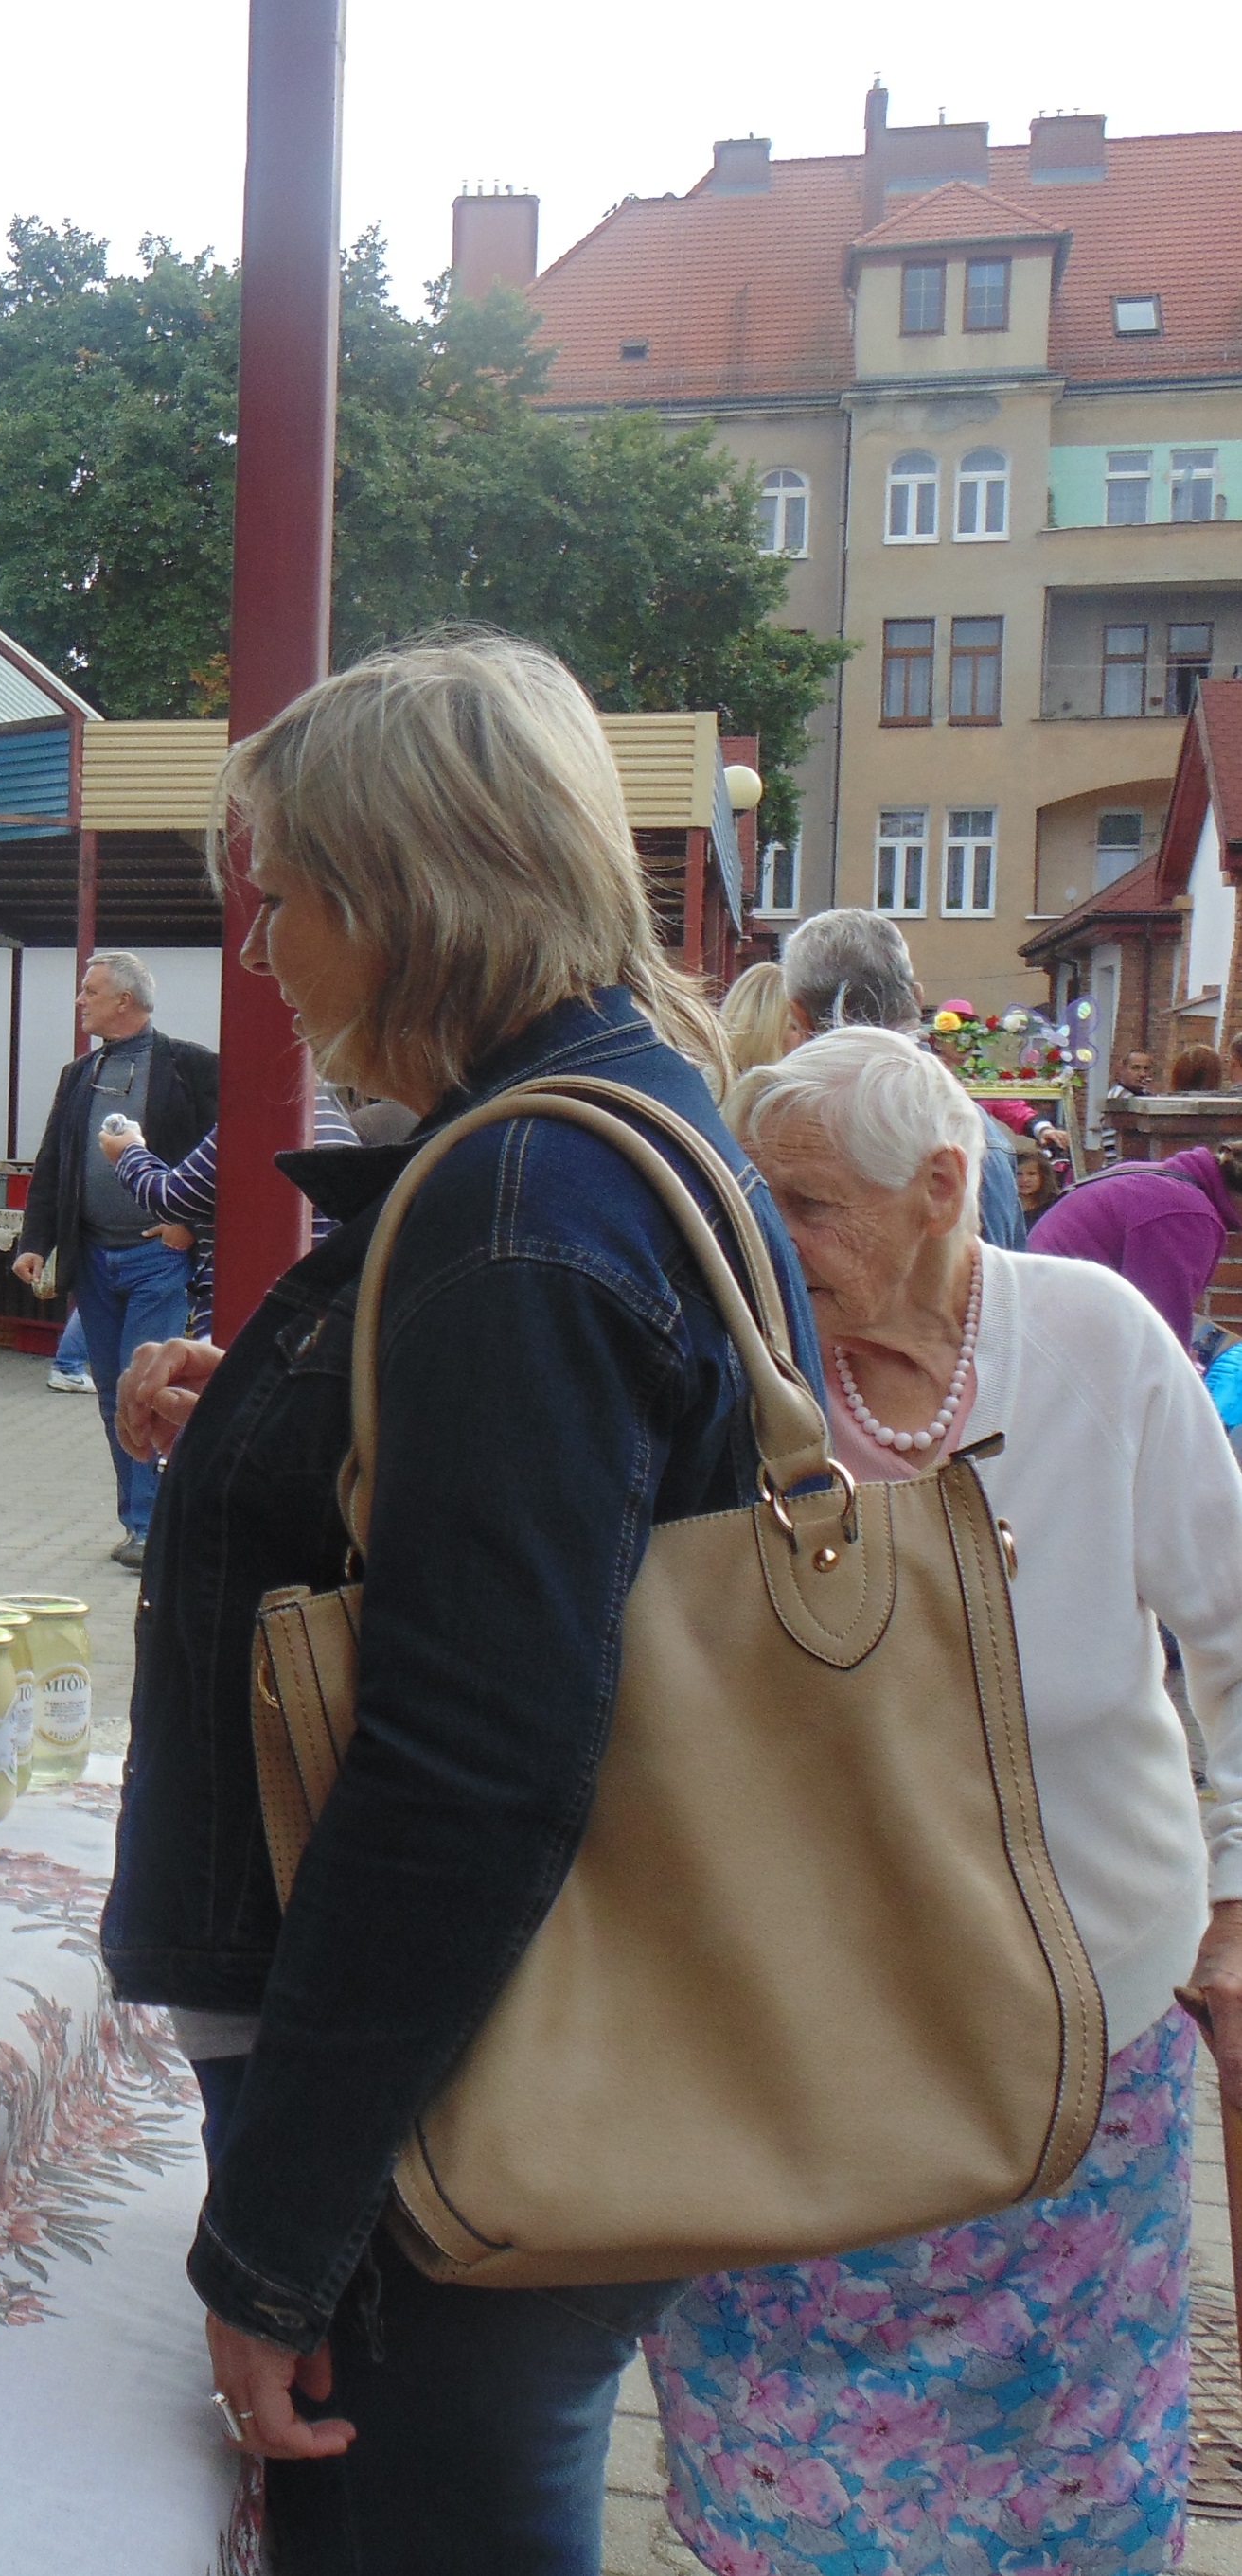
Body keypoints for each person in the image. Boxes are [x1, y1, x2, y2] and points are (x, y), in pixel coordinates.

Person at [105, 630, 817, 2570]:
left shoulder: (518, 1205)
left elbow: (466, 1756)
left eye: (286, 894)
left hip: (457, 2100)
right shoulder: (615, 1126)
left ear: (407, 894)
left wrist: (277, 2232)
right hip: (516, 2056)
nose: (258, 949)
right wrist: (255, 1435)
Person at [648, 1026, 1242, 2573]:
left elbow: (1232, 1623)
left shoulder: (1094, 1342)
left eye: (809, 1204)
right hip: (795, 2058)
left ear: (935, 1188)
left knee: (1063, 2483)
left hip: (1073, 2039)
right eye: (750, 1198)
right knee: (783, 2482)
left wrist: (1234, 1890)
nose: (772, 1241)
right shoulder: (732, 1367)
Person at [13, 951, 218, 1568]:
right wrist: (33, 1242)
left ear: (123, 1002)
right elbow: (54, 1161)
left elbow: (224, 1153)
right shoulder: (78, 1074)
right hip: (94, 1257)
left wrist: (189, 1221)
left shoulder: (191, 1066)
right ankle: (136, 1522)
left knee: (150, 1390)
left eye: (90, 990)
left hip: (158, 1259)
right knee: (111, 1394)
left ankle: (156, 1526)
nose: (81, 1000)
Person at [776, 908, 1025, 1248]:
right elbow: (996, 1288)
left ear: (799, 1015)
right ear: (917, 998)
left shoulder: (775, 1136)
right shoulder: (979, 1138)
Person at [98, 1085, 363, 1338]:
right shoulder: (337, 1122)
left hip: (245, 1315)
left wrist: (127, 1152)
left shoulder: (257, 1115)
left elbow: (169, 1198)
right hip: (317, 1313)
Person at [1026, 1130, 1242, 1348]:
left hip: (1040, 1312)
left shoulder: (1163, 1180)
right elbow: (1159, 1332)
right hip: (1057, 1331)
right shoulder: (1187, 1215)